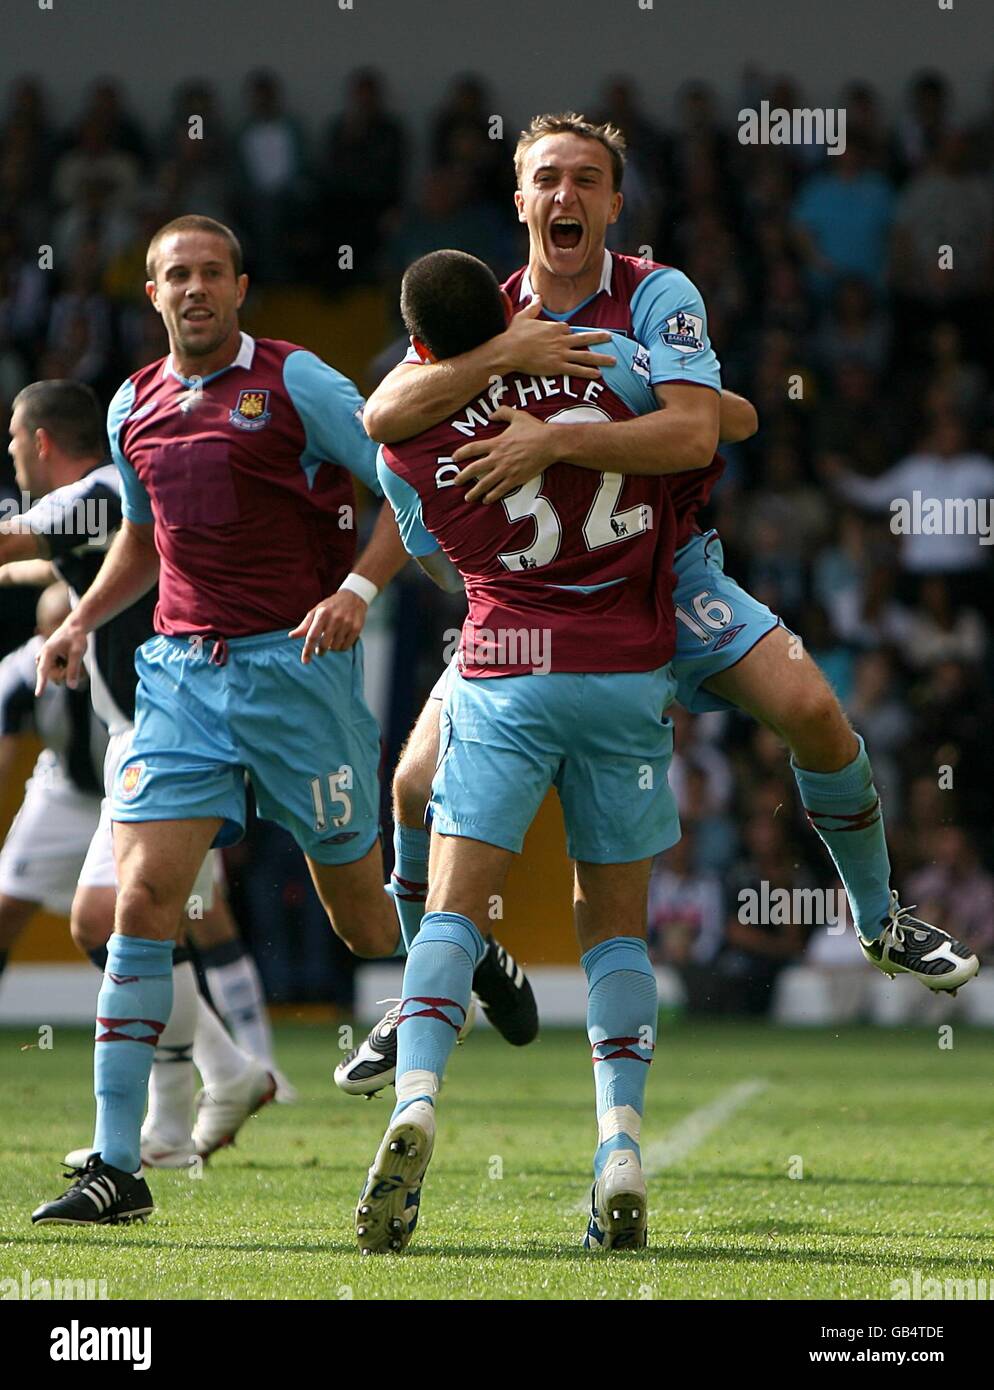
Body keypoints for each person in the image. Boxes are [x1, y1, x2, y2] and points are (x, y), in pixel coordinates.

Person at [361, 113, 979, 1058]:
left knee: (815, 708)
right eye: (547, 178)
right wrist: (505, 356)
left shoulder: (658, 293)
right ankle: (427, 990)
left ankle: (879, 918)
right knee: (408, 786)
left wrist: (560, 435)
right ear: (521, 199)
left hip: (669, 570)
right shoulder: (482, 311)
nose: (566, 194)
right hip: (532, 602)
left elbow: (702, 432)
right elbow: (383, 411)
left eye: (587, 179)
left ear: (613, 201)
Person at [361, 247, 703, 1253]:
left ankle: (416, 1098)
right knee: (614, 931)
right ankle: (619, 1145)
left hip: (508, 668)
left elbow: (428, 553)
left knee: (455, 907)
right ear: (503, 311)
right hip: (628, 668)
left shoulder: (408, 443)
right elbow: (701, 435)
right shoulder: (607, 367)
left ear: (421, 343)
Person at [3, 377, 284, 1170]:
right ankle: (217, 1082)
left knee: (124, 917)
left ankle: (196, 1098)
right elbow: (45, 562)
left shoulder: (92, 492)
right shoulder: (102, 512)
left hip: (175, 733)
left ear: (44, 442)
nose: (13, 455)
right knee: (114, 922)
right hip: (144, 734)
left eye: (16, 442)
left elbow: (14, 541)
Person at [0, 582, 104, 974]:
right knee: (5, 909)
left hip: (134, 789)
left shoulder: (124, 657)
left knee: (195, 920)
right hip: (64, 792)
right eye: (54, 631)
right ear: (39, 636)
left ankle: (229, 1036)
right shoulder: (20, 674)